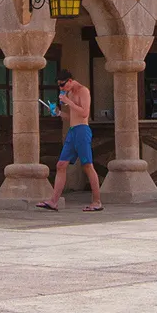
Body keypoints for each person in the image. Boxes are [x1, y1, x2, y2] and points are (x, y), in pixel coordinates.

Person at [37, 70, 102, 212]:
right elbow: (72, 117)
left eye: (62, 85)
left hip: (82, 131)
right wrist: (59, 112)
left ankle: (97, 201)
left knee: (87, 165)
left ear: (70, 81)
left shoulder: (83, 91)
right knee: (61, 165)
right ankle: (54, 201)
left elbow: (85, 113)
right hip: (72, 131)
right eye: (59, 86)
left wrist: (68, 102)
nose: (61, 88)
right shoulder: (70, 93)